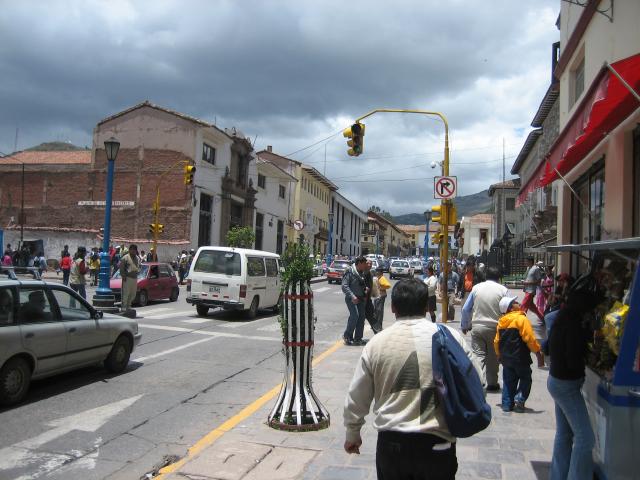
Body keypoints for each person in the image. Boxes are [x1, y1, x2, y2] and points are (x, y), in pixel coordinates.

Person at [344, 279, 481, 479]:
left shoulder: (377, 343)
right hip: (438, 443)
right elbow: (478, 380)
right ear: (426, 306)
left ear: (392, 307)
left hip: (392, 445)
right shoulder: (450, 337)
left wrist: (352, 434)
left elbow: (357, 395)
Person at [547, 284, 597, 480]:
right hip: (566, 384)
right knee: (585, 438)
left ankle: (558, 475)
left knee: (564, 434)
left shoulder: (560, 319)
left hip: (556, 380)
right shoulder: (573, 325)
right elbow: (572, 357)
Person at [461, 266, 508, 391]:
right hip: (495, 328)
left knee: (478, 355)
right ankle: (492, 383)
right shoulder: (503, 290)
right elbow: (506, 310)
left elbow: (466, 308)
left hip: (477, 327)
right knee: (493, 356)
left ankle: (477, 382)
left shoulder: (476, 288)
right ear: (499, 278)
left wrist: (465, 325)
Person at [494, 296, 545, 412]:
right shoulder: (521, 319)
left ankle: (507, 404)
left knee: (508, 381)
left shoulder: (501, 322)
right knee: (526, 378)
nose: (518, 303)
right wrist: (537, 351)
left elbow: (496, 341)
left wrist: (498, 355)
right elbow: (529, 338)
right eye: (515, 302)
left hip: (506, 358)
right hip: (520, 357)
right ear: (511, 308)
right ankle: (520, 399)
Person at [341, 256, 368, 346]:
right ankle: (347, 336)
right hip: (351, 298)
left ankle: (358, 338)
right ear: (359, 263)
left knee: (361, 318)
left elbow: (360, 285)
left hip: (360, 298)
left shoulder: (361, 273)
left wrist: (365, 289)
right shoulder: (350, 272)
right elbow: (344, 286)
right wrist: (353, 296)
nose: (365, 266)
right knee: (354, 316)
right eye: (364, 264)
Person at [521, 257, 544, 323]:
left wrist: (528, 283)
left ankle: (521, 321)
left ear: (530, 261)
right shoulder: (528, 268)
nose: (525, 263)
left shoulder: (536, 269)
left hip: (531, 291)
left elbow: (538, 281)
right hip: (527, 290)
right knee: (532, 307)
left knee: (523, 305)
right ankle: (543, 318)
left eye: (526, 261)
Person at [119, 244, 141, 314]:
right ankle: (124, 307)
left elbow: (139, 266)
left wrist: (138, 271)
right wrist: (123, 276)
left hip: (134, 278)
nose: (133, 251)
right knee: (126, 293)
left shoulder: (137, 258)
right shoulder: (125, 258)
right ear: (129, 250)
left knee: (133, 294)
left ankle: (129, 306)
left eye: (135, 250)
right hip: (127, 278)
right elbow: (121, 268)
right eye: (132, 249)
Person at [363, 259, 379, 334]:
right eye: (368, 263)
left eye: (371, 264)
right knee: (359, 319)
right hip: (362, 300)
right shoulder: (362, 273)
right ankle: (351, 336)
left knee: (372, 315)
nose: (369, 265)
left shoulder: (370, 273)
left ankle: (378, 332)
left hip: (368, 299)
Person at [372, 266, 390, 331]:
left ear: (380, 272)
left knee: (379, 311)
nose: (376, 272)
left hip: (381, 296)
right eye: (376, 271)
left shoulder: (382, 278)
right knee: (376, 311)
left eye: (377, 271)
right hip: (378, 296)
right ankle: (376, 325)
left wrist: (381, 288)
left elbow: (388, 285)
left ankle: (379, 326)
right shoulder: (378, 278)